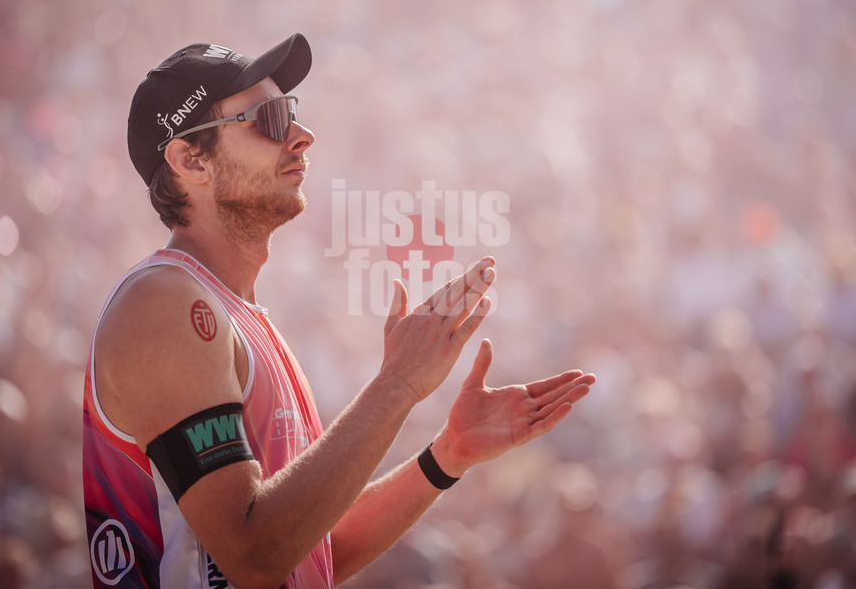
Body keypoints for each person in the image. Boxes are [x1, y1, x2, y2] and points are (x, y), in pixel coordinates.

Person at [82, 33, 596, 588]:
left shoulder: (238, 313)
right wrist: (396, 384)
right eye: (269, 118)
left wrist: (445, 456)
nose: (302, 136)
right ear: (190, 160)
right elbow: (253, 555)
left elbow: (307, 550)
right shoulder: (164, 303)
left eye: (291, 112)